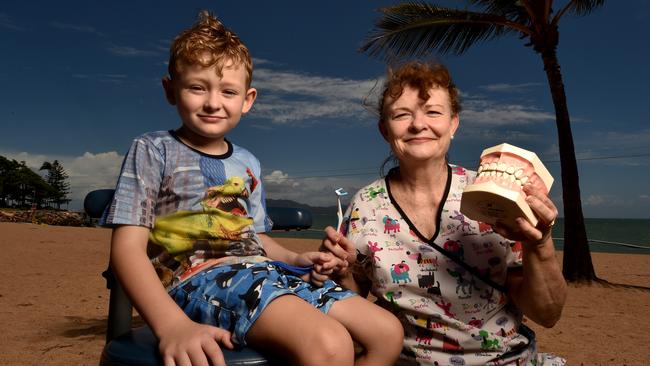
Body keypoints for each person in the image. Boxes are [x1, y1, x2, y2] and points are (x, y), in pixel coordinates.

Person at [102, 11, 403, 366]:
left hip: (263, 271)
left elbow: (254, 237)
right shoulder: (153, 149)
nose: (213, 102)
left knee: (387, 332)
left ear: (247, 99)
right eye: (198, 87)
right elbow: (127, 250)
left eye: (228, 91)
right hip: (197, 279)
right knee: (330, 343)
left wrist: (295, 259)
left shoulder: (248, 162)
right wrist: (172, 326)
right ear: (171, 89)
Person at [321, 61, 568, 365]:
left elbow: (547, 314)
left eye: (433, 112)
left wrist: (539, 245)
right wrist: (341, 271)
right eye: (401, 114)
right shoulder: (365, 206)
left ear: (453, 124)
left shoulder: (493, 194)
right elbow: (353, 301)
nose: (418, 124)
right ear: (385, 130)